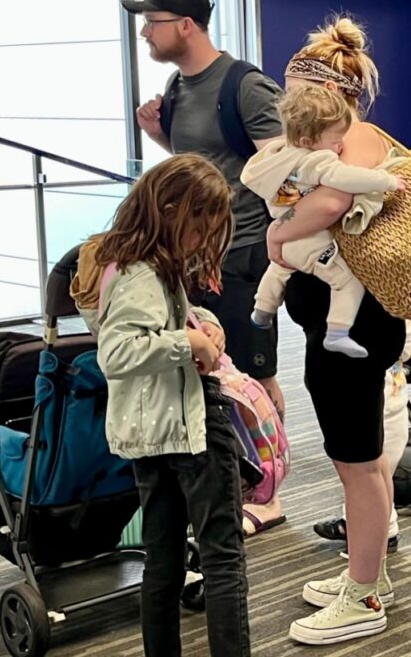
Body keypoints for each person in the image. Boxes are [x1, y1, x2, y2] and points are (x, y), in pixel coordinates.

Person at [71, 155, 250, 657]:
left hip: (149, 433)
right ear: (171, 210)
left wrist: (203, 324)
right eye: (200, 227)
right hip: (189, 428)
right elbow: (119, 350)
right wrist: (189, 344)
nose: (201, 240)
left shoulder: (126, 266)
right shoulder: (143, 275)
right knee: (222, 562)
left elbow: (158, 321)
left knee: (164, 561)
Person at [266, 16, 403, 645]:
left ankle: (365, 596)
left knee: (355, 462)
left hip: (351, 330)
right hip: (361, 323)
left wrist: (278, 232)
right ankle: (367, 571)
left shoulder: (344, 145)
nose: (288, 113)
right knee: (365, 459)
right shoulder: (363, 136)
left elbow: (331, 203)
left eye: (295, 98)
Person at [124, 0, 287, 414]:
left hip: (242, 252)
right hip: (195, 256)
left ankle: (272, 467)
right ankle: (230, 466)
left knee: (256, 377)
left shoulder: (245, 86)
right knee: (210, 369)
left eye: (152, 22)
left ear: (186, 26)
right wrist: (158, 134)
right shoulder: (178, 87)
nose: (145, 33)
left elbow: (283, 167)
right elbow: (202, 164)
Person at [241, 85, 404, 358]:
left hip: (288, 232)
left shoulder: (279, 153)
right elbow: (346, 179)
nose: (340, 146)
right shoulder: (315, 161)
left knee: (280, 268)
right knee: (347, 279)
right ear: (307, 140)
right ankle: (338, 333)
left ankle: (262, 311)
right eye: (334, 142)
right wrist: (387, 180)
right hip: (309, 240)